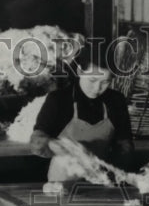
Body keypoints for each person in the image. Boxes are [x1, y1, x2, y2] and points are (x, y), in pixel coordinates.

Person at [29, 46, 136, 180]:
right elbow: (35, 141)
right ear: (80, 71)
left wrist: (115, 172)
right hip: (64, 178)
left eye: (105, 82)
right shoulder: (58, 100)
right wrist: (52, 144)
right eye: (92, 80)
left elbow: (125, 144)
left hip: (102, 177)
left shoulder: (116, 101)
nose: (97, 88)